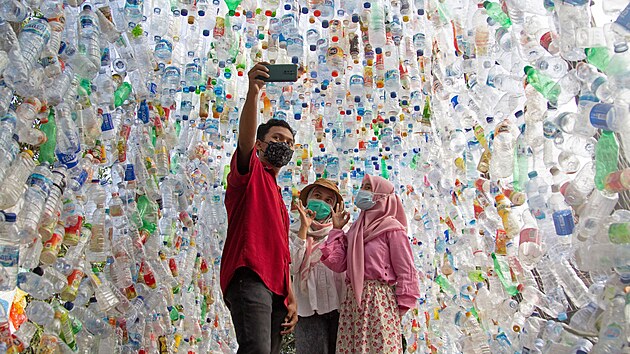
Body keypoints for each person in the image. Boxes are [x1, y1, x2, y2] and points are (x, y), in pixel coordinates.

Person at [221, 62, 298, 354]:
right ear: (261, 144)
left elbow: (283, 254)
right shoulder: (249, 172)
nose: (284, 146)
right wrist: (254, 93)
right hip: (250, 275)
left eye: (290, 143)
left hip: (278, 292)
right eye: (277, 138)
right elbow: (245, 138)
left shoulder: (279, 197)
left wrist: (291, 296)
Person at [320, 174, 421, 353]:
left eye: (368, 187)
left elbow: (407, 271)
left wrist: (399, 308)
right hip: (352, 301)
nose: (362, 191)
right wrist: (336, 230)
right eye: (363, 186)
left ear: (380, 195)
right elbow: (338, 264)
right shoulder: (355, 230)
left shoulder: (392, 229)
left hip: (379, 300)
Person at [290, 179, 346, 354]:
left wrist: (337, 232)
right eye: (317, 196)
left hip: (339, 306)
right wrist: (303, 230)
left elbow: (341, 264)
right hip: (307, 309)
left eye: (328, 200)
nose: (322, 202)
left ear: (334, 207)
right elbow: (292, 266)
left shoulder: (342, 231)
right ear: (307, 200)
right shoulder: (292, 231)